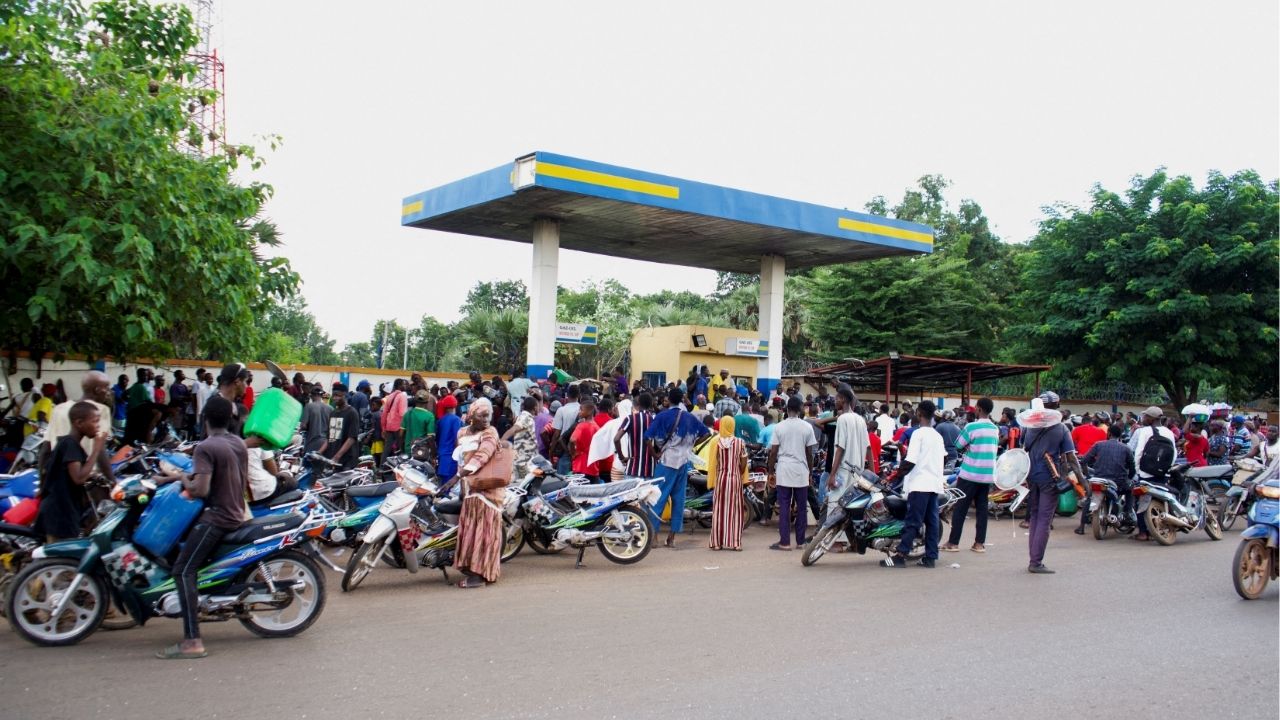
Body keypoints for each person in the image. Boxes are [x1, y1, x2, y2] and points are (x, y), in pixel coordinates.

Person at [158, 395, 247, 660]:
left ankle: (192, 641)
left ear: (204, 418)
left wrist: (182, 478)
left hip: (218, 516)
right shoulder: (237, 443)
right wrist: (172, 477)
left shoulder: (206, 447)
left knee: (183, 570)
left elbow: (200, 489)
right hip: (236, 511)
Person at [1021, 393, 1082, 573]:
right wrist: (1082, 481)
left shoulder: (1029, 426)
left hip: (1031, 475)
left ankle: (1033, 558)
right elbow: (1071, 457)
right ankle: (1036, 562)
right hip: (1050, 476)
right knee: (1044, 519)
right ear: (1057, 406)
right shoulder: (1061, 428)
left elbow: (1022, 449)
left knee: (1034, 516)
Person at [881, 401, 945, 568]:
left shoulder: (918, 434)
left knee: (913, 521)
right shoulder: (937, 436)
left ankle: (901, 555)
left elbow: (910, 461)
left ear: (918, 414)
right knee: (932, 521)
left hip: (920, 484)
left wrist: (892, 477)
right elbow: (943, 458)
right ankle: (930, 557)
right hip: (934, 484)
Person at [644, 388, 710, 549]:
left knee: (657, 499)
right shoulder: (690, 417)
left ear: (669, 399)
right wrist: (690, 446)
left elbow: (647, 438)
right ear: (682, 399)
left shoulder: (662, 416)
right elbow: (706, 433)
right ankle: (671, 538)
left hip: (667, 462)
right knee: (678, 500)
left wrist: (654, 454)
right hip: (684, 463)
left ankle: (653, 537)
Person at [35, 402, 106, 543]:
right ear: (79, 423)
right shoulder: (70, 445)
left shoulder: (68, 444)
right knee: (60, 560)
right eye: (95, 421)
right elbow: (78, 478)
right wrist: (97, 449)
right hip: (60, 513)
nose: (98, 426)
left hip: (59, 509)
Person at [453, 398, 505, 589]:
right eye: (482, 416)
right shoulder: (462, 433)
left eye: (488, 415)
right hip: (470, 489)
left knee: (485, 535)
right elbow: (460, 458)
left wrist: (456, 477)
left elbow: (482, 455)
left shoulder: (490, 432)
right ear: (471, 417)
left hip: (488, 491)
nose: (486, 419)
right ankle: (472, 568)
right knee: (470, 532)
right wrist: (460, 485)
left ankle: (480, 576)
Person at [942, 397, 998, 553]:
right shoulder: (995, 428)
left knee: (960, 509)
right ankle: (979, 544)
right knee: (982, 510)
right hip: (987, 476)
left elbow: (958, 445)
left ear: (978, 409)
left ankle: (953, 543)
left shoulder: (971, 426)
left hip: (969, 474)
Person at [39, 371, 116, 485]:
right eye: (107, 387)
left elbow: (46, 449)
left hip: (58, 479)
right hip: (85, 478)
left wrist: (42, 483)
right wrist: (113, 482)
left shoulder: (59, 409)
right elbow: (100, 451)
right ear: (97, 390)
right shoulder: (100, 410)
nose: (109, 392)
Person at [768, 396, 817, 551]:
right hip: (801, 470)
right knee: (802, 507)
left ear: (787, 409)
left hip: (784, 469)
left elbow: (773, 452)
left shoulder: (779, 427)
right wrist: (810, 471)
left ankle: (785, 542)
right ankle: (800, 542)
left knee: (784, 506)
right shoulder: (807, 427)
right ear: (801, 409)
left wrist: (770, 471)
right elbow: (810, 453)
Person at [1080, 423, 1137, 530]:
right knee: (1130, 489)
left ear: (1109, 433)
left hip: (1099, 479)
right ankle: (1128, 512)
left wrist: (1087, 475)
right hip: (1119, 482)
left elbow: (1084, 461)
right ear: (1120, 435)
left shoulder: (1098, 445)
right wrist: (1129, 477)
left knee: (1089, 497)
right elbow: (1132, 467)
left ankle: (1081, 527)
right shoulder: (1126, 448)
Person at [708, 415, 748, 551]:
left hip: (721, 479)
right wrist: (739, 471)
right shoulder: (740, 442)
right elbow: (743, 462)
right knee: (735, 511)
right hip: (735, 479)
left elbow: (713, 463)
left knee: (719, 510)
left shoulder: (716, 442)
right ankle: (736, 543)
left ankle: (717, 543)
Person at [244, 433, 297, 503]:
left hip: (238, 497)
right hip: (263, 492)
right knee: (292, 482)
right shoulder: (257, 440)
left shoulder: (228, 443)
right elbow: (273, 472)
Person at [615, 392, 656, 478]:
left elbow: (616, 439)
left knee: (631, 492)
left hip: (632, 469)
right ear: (651, 404)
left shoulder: (630, 418)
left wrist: (622, 457)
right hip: (650, 470)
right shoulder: (655, 420)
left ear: (638, 403)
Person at [502, 396, 540, 478]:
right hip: (524, 461)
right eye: (538, 406)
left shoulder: (526, 417)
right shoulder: (525, 417)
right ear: (535, 407)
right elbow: (513, 429)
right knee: (526, 484)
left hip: (527, 459)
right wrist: (500, 441)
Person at [548, 385, 581, 475]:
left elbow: (556, 434)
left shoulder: (561, 410)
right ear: (579, 395)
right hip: (579, 449)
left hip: (565, 449)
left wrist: (551, 451)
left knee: (563, 480)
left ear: (567, 395)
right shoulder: (582, 409)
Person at [326, 384, 361, 470]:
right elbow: (330, 437)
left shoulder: (352, 413)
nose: (334, 398)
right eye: (333, 395)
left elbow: (352, 438)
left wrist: (337, 457)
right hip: (335, 459)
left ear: (345, 395)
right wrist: (318, 452)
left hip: (347, 460)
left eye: (337, 395)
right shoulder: (333, 413)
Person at [300, 386, 332, 473]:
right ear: (321, 396)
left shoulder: (309, 407)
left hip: (312, 443)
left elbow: (304, 426)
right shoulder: (330, 409)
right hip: (326, 444)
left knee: (309, 471)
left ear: (311, 396)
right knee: (322, 471)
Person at [570, 398, 601, 482]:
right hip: (593, 466)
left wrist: (573, 453)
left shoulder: (581, 426)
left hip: (580, 465)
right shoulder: (597, 427)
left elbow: (572, 440)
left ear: (590, 411)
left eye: (581, 410)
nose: (579, 412)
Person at [402, 391, 437, 458]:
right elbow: (430, 437)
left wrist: (401, 449)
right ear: (427, 402)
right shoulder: (429, 416)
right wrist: (434, 454)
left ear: (415, 400)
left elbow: (401, 434)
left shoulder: (407, 414)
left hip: (408, 449)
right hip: (421, 452)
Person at [435, 394, 461, 481]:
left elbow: (437, 439)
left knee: (443, 483)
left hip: (441, 456)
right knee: (449, 485)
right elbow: (457, 439)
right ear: (455, 405)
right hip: (451, 456)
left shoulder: (440, 420)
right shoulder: (456, 420)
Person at [381, 379, 409, 456]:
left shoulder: (390, 396)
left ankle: (382, 466)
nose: (405, 386)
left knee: (387, 448)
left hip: (389, 426)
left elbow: (384, 413)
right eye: (404, 384)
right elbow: (403, 413)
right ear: (399, 385)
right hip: (399, 427)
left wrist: (383, 428)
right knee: (400, 448)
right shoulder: (403, 395)